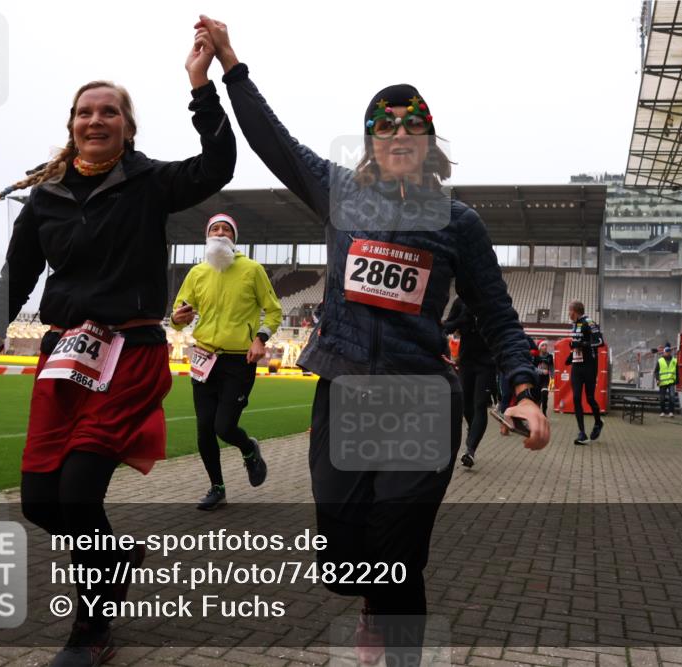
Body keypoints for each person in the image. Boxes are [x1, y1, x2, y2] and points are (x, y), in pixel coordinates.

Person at [194, 15, 550, 665]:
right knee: (347, 558)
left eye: (413, 124)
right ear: (369, 141)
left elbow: (498, 313)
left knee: (398, 554)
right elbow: (274, 141)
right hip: (346, 392)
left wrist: (524, 388)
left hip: (419, 398)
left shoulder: (458, 222)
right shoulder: (339, 194)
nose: (399, 134)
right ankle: (373, 606)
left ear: (429, 140)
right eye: (384, 125)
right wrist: (230, 66)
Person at [0, 34, 235, 667]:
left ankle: (92, 630)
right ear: (72, 125)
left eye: (109, 111)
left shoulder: (149, 184)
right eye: (86, 111)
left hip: (129, 353)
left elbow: (219, 163)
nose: (96, 119)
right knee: (39, 501)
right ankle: (112, 557)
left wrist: (202, 82)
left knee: (80, 495)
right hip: (62, 357)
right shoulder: (46, 197)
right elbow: (17, 274)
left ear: (126, 128)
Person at [171, 212, 283, 510]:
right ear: (207, 236)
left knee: (224, 426)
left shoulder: (252, 270)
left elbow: (274, 312)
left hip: (238, 361)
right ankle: (216, 487)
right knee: (204, 427)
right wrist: (176, 318)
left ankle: (249, 449)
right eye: (214, 228)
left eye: (226, 229)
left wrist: (260, 338)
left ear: (234, 237)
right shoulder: (196, 273)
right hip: (203, 358)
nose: (220, 232)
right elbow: (179, 314)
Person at [443, 297, 498, 468]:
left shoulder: (491, 300)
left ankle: (470, 450)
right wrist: (462, 318)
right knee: (465, 405)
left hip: (487, 362)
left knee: (480, 404)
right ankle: (472, 433)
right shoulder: (460, 302)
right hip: (466, 361)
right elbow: (447, 327)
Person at [565, 300, 604, 445]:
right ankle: (582, 433)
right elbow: (576, 343)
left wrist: (582, 345)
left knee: (589, 398)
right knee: (576, 398)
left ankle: (598, 422)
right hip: (577, 366)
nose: (568, 314)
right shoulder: (574, 324)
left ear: (574, 311)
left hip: (589, 365)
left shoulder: (589, 322)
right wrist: (571, 356)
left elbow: (600, 342)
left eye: (569, 311)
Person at [654, 343, 679, 417]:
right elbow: (656, 371)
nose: (668, 353)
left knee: (672, 396)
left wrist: (677, 380)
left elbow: (677, 371)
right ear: (664, 352)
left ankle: (671, 412)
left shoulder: (674, 360)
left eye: (669, 352)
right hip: (662, 382)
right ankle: (662, 412)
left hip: (671, 381)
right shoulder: (660, 361)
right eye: (666, 352)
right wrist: (657, 379)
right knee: (662, 397)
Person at [533, 340, 554, 416]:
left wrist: (553, 378)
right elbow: (533, 368)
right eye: (543, 345)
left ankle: (544, 413)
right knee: (538, 398)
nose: (545, 347)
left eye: (546, 345)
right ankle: (537, 413)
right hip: (537, 379)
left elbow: (551, 368)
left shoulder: (550, 356)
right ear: (539, 348)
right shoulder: (536, 357)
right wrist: (541, 371)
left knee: (545, 395)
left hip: (545, 379)